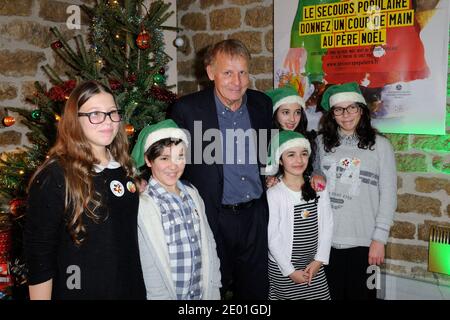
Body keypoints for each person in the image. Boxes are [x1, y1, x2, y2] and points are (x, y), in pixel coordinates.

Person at [24, 80, 146, 300]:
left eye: (112, 113)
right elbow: (39, 255)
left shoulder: (123, 167)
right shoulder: (55, 175)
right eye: (95, 114)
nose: (107, 122)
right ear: (74, 120)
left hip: (129, 288)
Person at [171, 39, 273, 299]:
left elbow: (274, 150)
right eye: (227, 72)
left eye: (242, 72)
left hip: (255, 217)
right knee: (212, 288)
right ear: (210, 73)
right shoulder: (187, 110)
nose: (236, 82)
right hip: (211, 217)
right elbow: (168, 157)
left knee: (256, 290)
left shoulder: (262, 105)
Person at [315, 82, 397, 300]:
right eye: (339, 109)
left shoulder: (381, 146)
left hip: (366, 243)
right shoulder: (320, 144)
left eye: (352, 107)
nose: (346, 115)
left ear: (361, 109)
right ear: (332, 114)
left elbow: (388, 195)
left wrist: (380, 239)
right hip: (327, 242)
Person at [130, 119, 221, 300]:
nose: (174, 165)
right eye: (164, 158)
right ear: (148, 160)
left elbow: (209, 242)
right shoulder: (144, 204)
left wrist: (214, 286)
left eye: (180, 156)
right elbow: (148, 264)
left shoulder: (193, 194)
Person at [265, 130, 333, 300]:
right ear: (280, 160)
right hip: (284, 268)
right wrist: (289, 271)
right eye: (291, 155)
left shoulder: (318, 188)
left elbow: (328, 224)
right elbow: (272, 237)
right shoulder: (274, 193)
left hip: (313, 265)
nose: (299, 160)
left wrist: (319, 260)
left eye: (303, 154)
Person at [265, 85, 326, 191]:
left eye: (297, 112)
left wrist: (318, 176)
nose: (292, 119)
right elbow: (258, 176)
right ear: (275, 113)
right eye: (286, 112)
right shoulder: (264, 141)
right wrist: (267, 180)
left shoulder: (310, 139)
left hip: (303, 200)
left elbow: (316, 169)